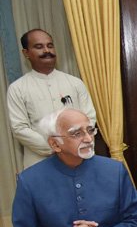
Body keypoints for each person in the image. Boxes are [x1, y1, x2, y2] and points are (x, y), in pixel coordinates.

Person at [11, 109, 137, 227]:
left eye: (90, 130)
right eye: (77, 133)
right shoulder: (30, 180)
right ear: (55, 144)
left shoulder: (115, 170)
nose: (89, 139)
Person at [7, 29, 97, 169]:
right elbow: (20, 128)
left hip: (79, 158)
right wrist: (56, 146)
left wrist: (74, 144)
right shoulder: (17, 88)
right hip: (40, 161)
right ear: (26, 53)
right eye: (39, 47)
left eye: (50, 45)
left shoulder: (75, 82)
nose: (46, 50)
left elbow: (89, 117)